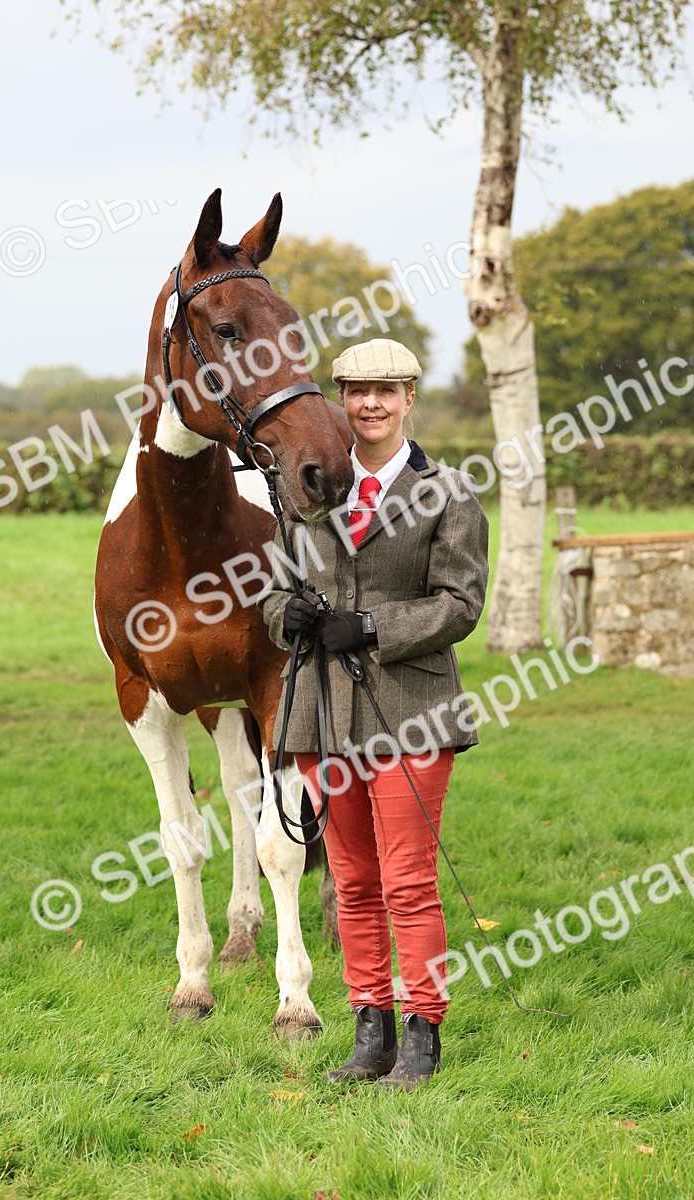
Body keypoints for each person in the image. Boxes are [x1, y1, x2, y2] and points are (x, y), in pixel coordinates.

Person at [257, 337, 489, 1090]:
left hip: (412, 710)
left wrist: (373, 627)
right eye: (357, 390)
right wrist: (281, 615)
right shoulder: (310, 489)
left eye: (386, 391)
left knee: (409, 881)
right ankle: (371, 1033)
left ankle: (422, 1038)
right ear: (342, 399)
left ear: (410, 398)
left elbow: (461, 605)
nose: (370, 404)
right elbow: (270, 593)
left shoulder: (449, 493)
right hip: (326, 714)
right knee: (353, 882)